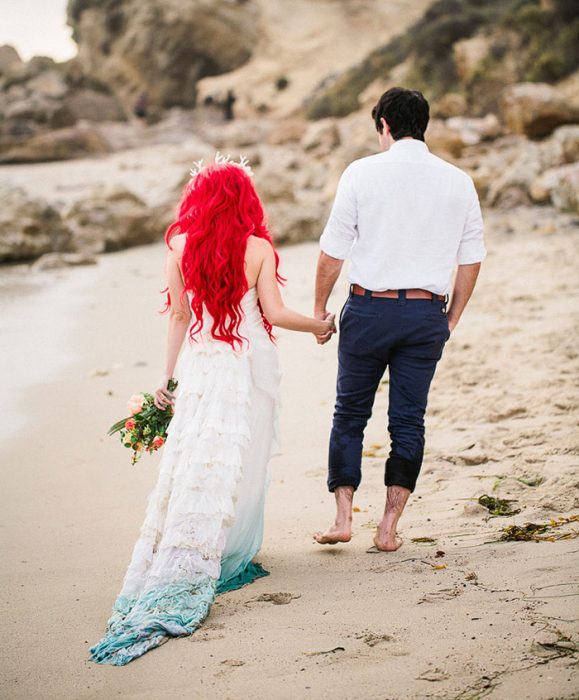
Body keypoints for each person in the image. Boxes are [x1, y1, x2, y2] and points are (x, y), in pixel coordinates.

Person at [89, 154, 335, 666]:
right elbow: (274, 313)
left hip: (202, 366)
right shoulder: (258, 248)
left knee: (196, 461)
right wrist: (319, 325)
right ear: (245, 201)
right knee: (240, 460)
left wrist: (166, 375)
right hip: (246, 366)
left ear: (198, 200)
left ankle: (200, 549)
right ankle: (226, 552)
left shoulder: (179, 245)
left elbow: (180, 316)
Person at [313, 87, 486, 552]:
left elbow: (333, 250)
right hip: (426, 314)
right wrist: (450, 318)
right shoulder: (458, 181)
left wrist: (318, 310)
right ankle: (388, 528)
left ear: (384, 125)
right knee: (408, 422)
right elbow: (471, 260)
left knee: (350, 412)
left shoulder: (361, 173)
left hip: (369, 310)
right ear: (423, 125)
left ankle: (343, 518)